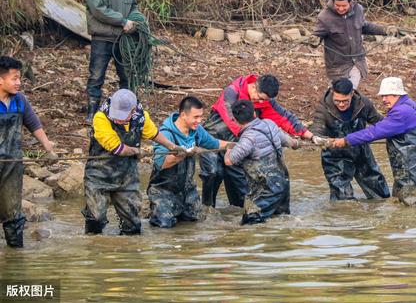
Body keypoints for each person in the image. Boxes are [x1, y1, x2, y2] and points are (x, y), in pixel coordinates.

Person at [201, 74, 317, 208]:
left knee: (239, 184)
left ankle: (237, 215)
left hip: (239, 144)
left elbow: (284, 117)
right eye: (261, 99)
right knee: (213, 173)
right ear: (254, 88)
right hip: (213, 138)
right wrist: (250, 136)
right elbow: (230, 118)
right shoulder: (232, 92)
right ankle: (207, 211)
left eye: (265, 100)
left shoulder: (264, 101)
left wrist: (310, 136)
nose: (261, 103)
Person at [82, 89, 185, 235]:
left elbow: (153, 134)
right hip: (99, 175)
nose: (118, 119)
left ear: (133, 110)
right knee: (96, 218)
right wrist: (137, 151)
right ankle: (94, 243)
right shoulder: (101, 118)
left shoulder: (141, 117)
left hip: (127, 177)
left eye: (122, 116)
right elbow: (118, 148)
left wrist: (172, 146)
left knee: (133, 225)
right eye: (116, 115)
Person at [329, 77, 416, 206]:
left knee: (412, 206)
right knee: (404, 200)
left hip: (412, 166)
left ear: (398, 94)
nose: (384, 99)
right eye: (382, 96)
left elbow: (374, 132)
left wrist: (346, 140)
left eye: (387, 96)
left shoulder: (401, 112)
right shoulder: (411, 105)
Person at [0, 56, 57, 248]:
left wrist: (47, 147)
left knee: (13, 212)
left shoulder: (20, 100)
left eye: (20, 78)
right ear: (0, 79)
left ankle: (16, 254)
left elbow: (33, 124)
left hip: (12, 166)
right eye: (14, 78)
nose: (19, 83)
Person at [148, 96, 231, 229]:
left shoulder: (196, 131)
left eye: (201, 117)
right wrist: (183, 154)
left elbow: (214, 143)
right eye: (196, 117)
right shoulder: (166, 134)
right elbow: (161, 163)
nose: (199, 121)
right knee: (163, 226)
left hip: (188, 191)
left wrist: (234, 145)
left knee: (198, 224)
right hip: (164, 191)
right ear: (183, 115)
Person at [85, 0, 145, 124]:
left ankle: (129, 111)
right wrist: (122, 21)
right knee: (96, 76)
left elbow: (134, 6)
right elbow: (98, 10)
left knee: (127, 75)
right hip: (102, 37)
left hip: (123, 39)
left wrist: (134, 20)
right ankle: (92, 113)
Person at [310, 78, 390, 200]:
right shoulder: (323, 107)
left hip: (361, 151)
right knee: (343, 200)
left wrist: (395, 128)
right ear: (332, 93)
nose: (341, 104)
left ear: (352, 94)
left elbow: (379, 122)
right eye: (337, 101)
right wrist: (319, 139)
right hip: (335, 156)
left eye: (345, 101)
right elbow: (317, 128)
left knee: (380, 193)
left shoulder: (363, 103)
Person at [224, 100, 300, 225]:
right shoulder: (270, 124)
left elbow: (229, 161)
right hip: (283, 184)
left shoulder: (248, 138)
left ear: (236, 120)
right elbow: (290, 142)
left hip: (266, 190)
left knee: (250, 223)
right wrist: (297, 143)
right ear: (254, 113)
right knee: (282, 220)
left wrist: (228, 149)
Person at [311, 0, 400, 89]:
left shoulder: (358, 10)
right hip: (337, 66)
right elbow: (317, 36)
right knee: (336, 93)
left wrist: (385, 30)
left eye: (344, 5)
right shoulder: (325, 17)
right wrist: (314, 40)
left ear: (350, 2)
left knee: (349, 91)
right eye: (337, 5)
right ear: (333, 1)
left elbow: (365, 26)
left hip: (357, 62)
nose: (340, 8)